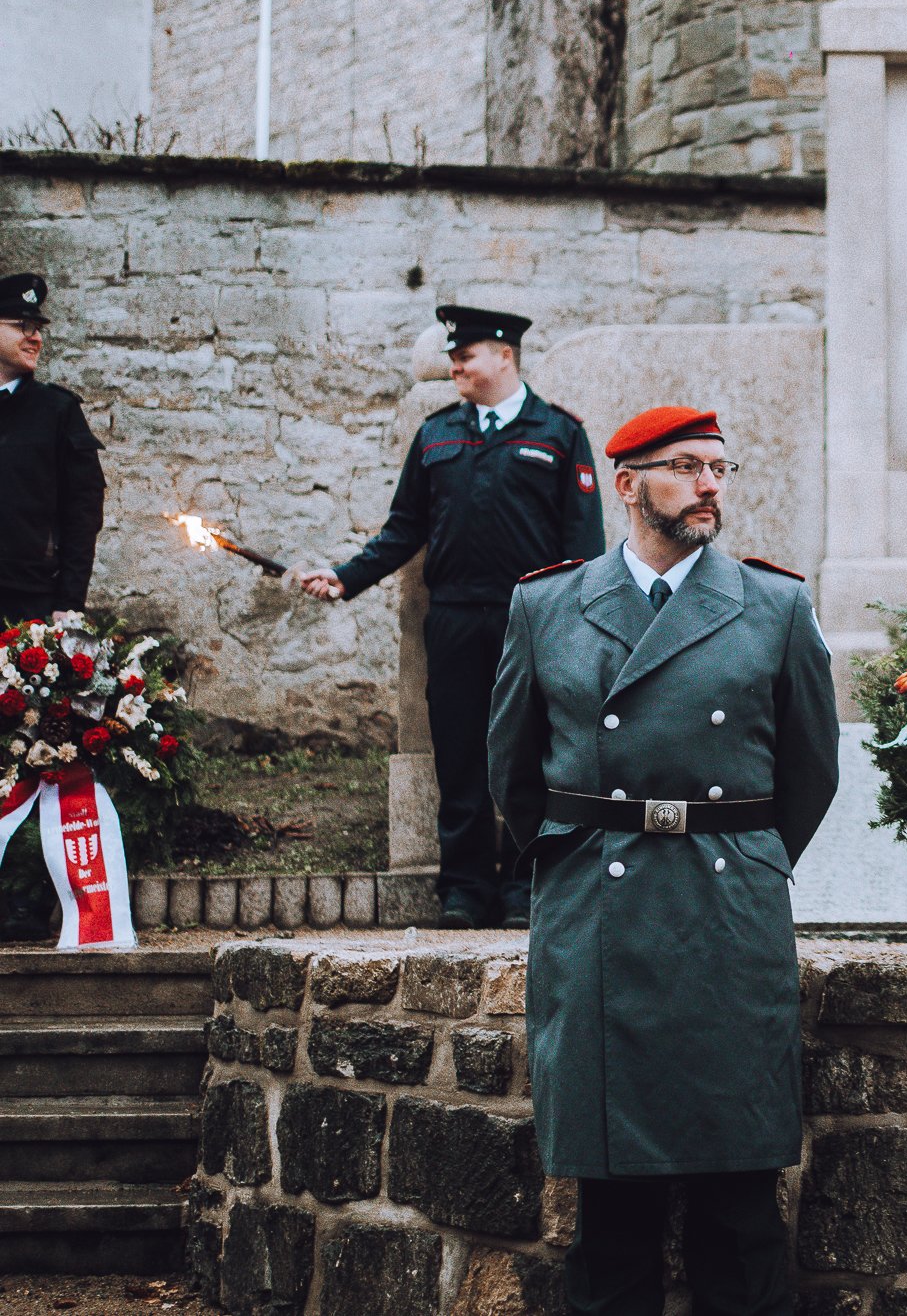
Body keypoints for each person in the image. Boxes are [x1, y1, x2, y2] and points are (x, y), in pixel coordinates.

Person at [488, 404, 838, 1316]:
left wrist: (744, 858)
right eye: (687, 466)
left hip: (729, 916)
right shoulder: (546, 603)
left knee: (739, 1197)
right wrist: (575, 864)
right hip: (597, 917)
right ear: (628, 482)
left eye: (722, 468)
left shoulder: (774, 604)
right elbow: (511, 773)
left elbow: (812, 771)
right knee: (612, 1207)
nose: (711, 485)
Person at [301, 306, 603, 929]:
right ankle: (464, 888)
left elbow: (583, 547)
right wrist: (347, 577)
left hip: (533, 623)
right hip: (457, 618)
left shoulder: (558, 433)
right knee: (459, 755)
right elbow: (403, 530)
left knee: (531, 753)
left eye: (466, 354)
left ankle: (524, 886)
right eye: (453, 354)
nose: (455, 365)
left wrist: (578, 627)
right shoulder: (436, 434)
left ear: (505, 355)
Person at [0, 273, 106, 942]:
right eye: (20, 325)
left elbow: (82, 513)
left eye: (39, 327)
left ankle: (22, 898)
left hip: (31, 612)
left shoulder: (58, 413)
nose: (36, 335)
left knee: (30, 757)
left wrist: (68, 604)